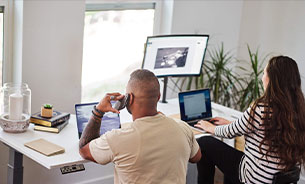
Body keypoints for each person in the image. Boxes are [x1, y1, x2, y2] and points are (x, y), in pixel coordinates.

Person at [194, 56, 305, 184]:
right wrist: (232, 123)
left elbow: (229, 133)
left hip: (255, 178)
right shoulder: (298, 109)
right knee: (233, 158)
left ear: (272, 80)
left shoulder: (261, 108)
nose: (262, 78)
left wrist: (209, 127)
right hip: (280, 178)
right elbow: (260, 129)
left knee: (204, 142)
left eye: (264, 73)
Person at [79, 69, 201, 184]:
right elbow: (196, 157)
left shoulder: (117, 138)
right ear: (158, 97)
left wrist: (98, 111)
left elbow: (84, 149)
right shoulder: (182, 128)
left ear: (129, 99)